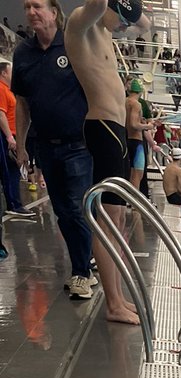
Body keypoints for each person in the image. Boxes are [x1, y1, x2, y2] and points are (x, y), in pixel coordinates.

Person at [65, 0, 151, 325]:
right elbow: (99, 5)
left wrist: (129, 10)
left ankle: (117, 297)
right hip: (102, 128)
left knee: (117, 219)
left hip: (116, 132)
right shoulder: (82, 23)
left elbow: (143, 24)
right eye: (122, 20)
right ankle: (113, 304)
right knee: (108, 221)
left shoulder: (106, 29)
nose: (125, 28)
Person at [11, 0, 96, 299]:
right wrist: (21, 145)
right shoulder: (23, 52)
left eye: (37, 6)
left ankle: (82, 272)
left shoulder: (73, 42)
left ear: (54, 12)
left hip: (78, 145)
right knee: (62, 212)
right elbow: (22, 104)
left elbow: (95, 87)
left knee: (76, 208)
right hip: (45, 146)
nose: (30, 12)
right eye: (27, 7)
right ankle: (84, 264)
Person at [0, 57, 29, 214]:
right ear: (4, 73)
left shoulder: (9, 90)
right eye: (11, 72)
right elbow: (1, 114)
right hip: (7, 135)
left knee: (14, 170)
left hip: (13, 134)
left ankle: (15, 203)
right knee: (10, 170)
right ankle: (14, 204)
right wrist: (9, 137)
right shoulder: (1, 89)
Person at [124, 76, 150, 191]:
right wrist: (147, 126)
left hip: (125, 139)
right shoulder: (136, 104)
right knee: (137, 174)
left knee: (127, 173)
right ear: (141, 90)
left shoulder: (124, 101)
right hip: (136, 142)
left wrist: (141, 120)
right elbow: (134, 124)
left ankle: (125, 198)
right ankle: (133, 200)